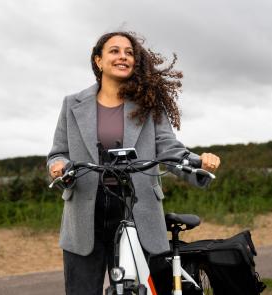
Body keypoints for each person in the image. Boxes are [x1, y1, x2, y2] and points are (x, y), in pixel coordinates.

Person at [47, 31, 220, 295]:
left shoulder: (149, 104)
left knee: (137, 289)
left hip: (136, 208)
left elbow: (168, 149)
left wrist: (198, 163)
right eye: (115, 51)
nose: (123, 57)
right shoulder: (72, 104)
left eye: (129, 53)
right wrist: (58, 166)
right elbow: (58, 153)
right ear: (98, 61)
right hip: (85, 211)